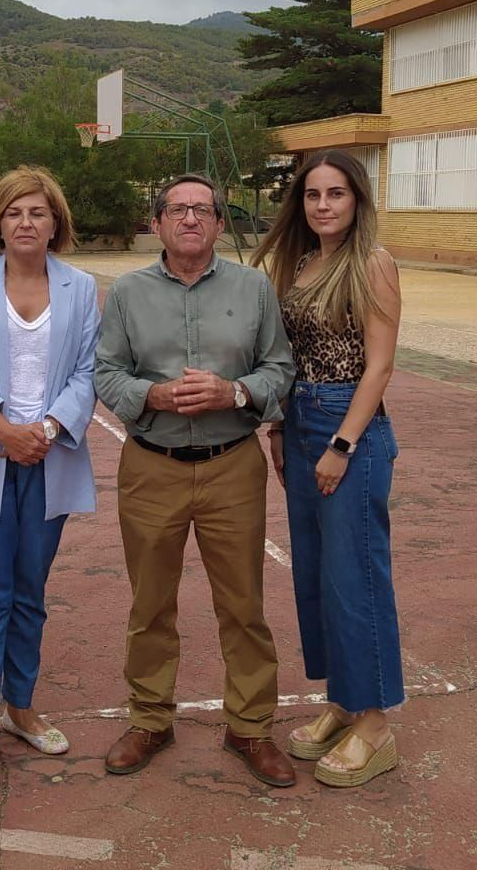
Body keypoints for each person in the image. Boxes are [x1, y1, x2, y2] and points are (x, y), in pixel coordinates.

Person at [94, 173, 297, 787]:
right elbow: (105, 373)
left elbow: (279, 367)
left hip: (232, 465)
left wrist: (235, 391)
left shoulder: (253, 287)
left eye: (202, 210)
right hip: (151, 464)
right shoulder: (127, 292)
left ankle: (251, 728)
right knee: (150, 603)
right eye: (177, 210)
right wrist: (152, 393)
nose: (190, 219)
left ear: (217, 222)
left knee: (243, 606)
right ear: (156, 223)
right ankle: (151, 719)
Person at [0, 166, 100, 798]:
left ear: (55, 222)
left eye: (37, 212)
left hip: (49, 459)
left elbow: (87, 369)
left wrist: (52, 426)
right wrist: (2, 427)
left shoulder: (81, 288)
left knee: (30, 593)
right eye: (13, 213)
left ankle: (20, 707)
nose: (26, 223)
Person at [253, 149, 404, 788]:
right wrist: (284, 427)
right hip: (304, 415)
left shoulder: (373, 264)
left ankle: (374, 724)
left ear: (357, 200)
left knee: (356, 573)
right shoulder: (302, 263)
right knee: (316, 574)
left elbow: (380, 366)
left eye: (336, 194)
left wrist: (341, 447)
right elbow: (291, 359)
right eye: (313, 195)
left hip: (352, 427)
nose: (323, 206)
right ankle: (343, 701)